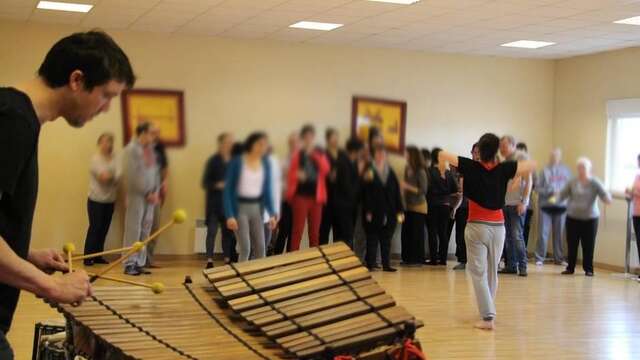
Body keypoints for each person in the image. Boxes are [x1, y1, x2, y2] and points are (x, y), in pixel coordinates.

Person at [0, 30, 134, 357]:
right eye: (106, 95)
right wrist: (53, 287)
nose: (105, 110)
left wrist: (24, 253)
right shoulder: (13, 120)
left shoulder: (16, 114)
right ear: (77, 80)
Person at [438, 133, 536, 330]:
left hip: (476, 226)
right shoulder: (504, 168)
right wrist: (517, 177)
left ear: (479, 151)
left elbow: (442, 155)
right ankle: (488, 309)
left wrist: (442, 171)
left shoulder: (470, 166)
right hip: (498, 227)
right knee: (492, 272)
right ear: (498, 151)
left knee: (477, 272)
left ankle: (488, 316)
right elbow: (531, 166)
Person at [224, 132, 277, 262]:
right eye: (260, 144)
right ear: (251, 144)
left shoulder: (265, 164)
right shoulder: (237, 162)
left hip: (257, 208)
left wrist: (271, 214)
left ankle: (259, 279)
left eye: (265, 145)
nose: (263, 147)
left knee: (260, 248)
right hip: (239, 208)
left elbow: (267, 191)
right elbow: (228, 191)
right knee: (245, 248)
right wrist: (230, 215)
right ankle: (242, 279)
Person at [557, 157, 611, 276]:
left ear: (589, 169)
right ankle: (570, 268)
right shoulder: (572, 181)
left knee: (588, 244)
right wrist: (551, 201)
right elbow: (562, 195)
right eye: (580, 167)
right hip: (572, 218)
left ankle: (589, 269)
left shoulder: (595, 182)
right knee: (572, 243)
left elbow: (604, 194)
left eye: (584, 167)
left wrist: (607, 199)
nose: (582, 170)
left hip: (590, 219)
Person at [122, 122, 160, 276]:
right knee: (134, 229)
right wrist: (146, 193)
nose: (154, 136)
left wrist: (155, 192)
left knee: (145, 230)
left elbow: (155, 173)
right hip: (137, 196)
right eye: (151, 133)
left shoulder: (150, 150)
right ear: (142, 133)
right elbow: (132, 176)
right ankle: (129, 263)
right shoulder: (131, 150)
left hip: (151, 197)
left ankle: (139, 262)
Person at [286, 125, 330, 251]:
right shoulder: (297, 154)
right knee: (297, 231)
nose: (308, 139)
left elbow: (326, 169)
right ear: (302, 138)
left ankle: (313, 261)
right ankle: (293, 261)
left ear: (314, 137)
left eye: (311, 137)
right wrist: (297, 175)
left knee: (315, 233)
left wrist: (314, 155)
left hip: (317, 198)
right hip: (300, 197)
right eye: (306, 137)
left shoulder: (319, 152)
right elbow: (290, 175)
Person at [362, 145, 403, 272]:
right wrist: (368, 210)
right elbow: (365, 193)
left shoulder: (390, 172)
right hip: (374, 211)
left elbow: (397, 193)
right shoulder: (369, 171)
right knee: (372, 239)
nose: (380, 157)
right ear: (374, 156)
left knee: (386, 240)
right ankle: (370, 264)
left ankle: (386, 265)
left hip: (390, 211)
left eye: (383, 155)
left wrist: (400, 210)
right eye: (378, 155)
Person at [83, 133, 120, 266]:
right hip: (95, 200)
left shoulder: (116, 158)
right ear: (99, 144)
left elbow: (120, 175)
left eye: (109, 142)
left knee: (104, 229)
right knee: (95, 228)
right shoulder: (95, 159)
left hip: (110, 200)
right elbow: (103, 178)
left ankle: (98, 256)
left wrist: (114, 175)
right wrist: (114, 175)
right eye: (104, 142)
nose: (107, 145)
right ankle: (88, 257)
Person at [498, 135, 532, 277]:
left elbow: (528, 181)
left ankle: (523, 266)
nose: (502, 149)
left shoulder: (521, 158)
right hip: (506, 203)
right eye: (501, 147)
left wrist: (524, 201)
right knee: (508, 237)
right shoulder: (506, 161)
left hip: (517, 204)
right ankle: (511, 265)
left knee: (517, 236)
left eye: (504, 147)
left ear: (513, 145)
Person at [202, 133, 236, 268]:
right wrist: (218, 185)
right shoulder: (213, 161)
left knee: (227, 234)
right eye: (228, 142)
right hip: (214, 204)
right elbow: (205, 182)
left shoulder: (235, 161)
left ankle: (227, 259)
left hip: (229, 205)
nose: (230, 144)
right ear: (221, 143)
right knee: (211, 232)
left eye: (232, 142)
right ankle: (209, 260)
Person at [320, 128, 358, 247]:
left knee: (339, 232)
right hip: (327, 198)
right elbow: (320, 174)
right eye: (333, 137)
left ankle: (337, 260)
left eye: (337, 137)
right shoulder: (323, 154)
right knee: (324, 230)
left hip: (341, 200)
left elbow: (351, 172)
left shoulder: (343, 154)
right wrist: (329, 176)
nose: (335, 140)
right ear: (327, 139)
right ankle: (322, 259)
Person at [535, 148, 571, 266]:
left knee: (559, 233)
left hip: (561, 205)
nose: (554, 158)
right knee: (543, 233)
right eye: (552, 156)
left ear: (560, 157)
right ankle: (540, 257)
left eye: (556, 156)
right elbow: (537, 188)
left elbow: (570, 187)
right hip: (546, 205)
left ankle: (559, 258)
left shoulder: (566, 171)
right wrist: (550, 190)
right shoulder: (544, 171)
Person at [426, 148, 459, 266]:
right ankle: (443, 259)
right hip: (446, 205)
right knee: (443, 233)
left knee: (432, 232)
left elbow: (426, 188)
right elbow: (455, 190)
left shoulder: (429, 171)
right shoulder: (448, 173)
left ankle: (434, 259)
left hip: (433, 204)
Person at [269, 132, 299, 255]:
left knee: (294, 232)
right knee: (284, 231)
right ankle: (276, 258)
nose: (293, 144)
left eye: (295, 142)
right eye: (291, 142)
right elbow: (278, 180)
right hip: (285, 201)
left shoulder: (303, 160)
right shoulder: (284, 160)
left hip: (298, 201)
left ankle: (290, 260)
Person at [451, 143, 479, 271]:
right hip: (463, 206)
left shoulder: (486, 170)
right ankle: (462, 260)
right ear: (471, 153)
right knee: (461, 234)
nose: (477, 155)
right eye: (475, 152)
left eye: (479, 152)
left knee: (477, 236)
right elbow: (461, 189)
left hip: (479, 208)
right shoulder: (466, 168)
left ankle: (477, 261)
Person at [145, 124, 168, 268]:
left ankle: (149, 259)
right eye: (153, 132)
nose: (156, 135)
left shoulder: (160, 148)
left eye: (158, 133)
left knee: (155, 227)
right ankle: (139, 261)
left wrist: (165, 182)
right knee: (143, 229)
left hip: (157, 193)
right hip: (144, 196)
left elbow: (165, 168)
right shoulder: (139, 149)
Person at [401, 146, 428, 266]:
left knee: (416, 235)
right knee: (406, 233)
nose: (405, 155)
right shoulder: (407, 168)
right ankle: (407, 258)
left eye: (406, 153)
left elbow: (423, 190)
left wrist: (407, 187)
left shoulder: (420, 171)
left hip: (418, 207)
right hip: (407, 206)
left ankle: (417, 260)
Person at [516, 142, 535, 247]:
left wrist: (524, 200)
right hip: (512, 203)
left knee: (524, 230)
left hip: (527, 205)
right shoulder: (511, 165)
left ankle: (523, 253)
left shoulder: (530, 167)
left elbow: (534, 184)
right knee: (513, 232)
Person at [262, 147, 281, 250]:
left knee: (266, 240)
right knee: (254, 246)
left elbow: (276, 192)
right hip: (255, 212)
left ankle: (261, 263)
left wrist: (276, 212)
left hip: (269, 212)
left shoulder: (273, 165)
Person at [626, 153, 640, 280]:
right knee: (639, 243)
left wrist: (634, 192)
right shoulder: (637, 176)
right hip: (636, 213)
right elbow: (633, 193)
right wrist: (629, 193)